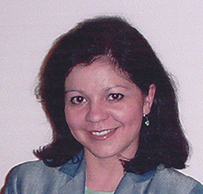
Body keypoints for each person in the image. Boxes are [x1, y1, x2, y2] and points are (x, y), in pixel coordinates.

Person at [2, 16, 203, 194]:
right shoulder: (27, 185)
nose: (95, 115)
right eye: (78, 99)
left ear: (148, 99)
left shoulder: (182, 191)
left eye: (114, 96)